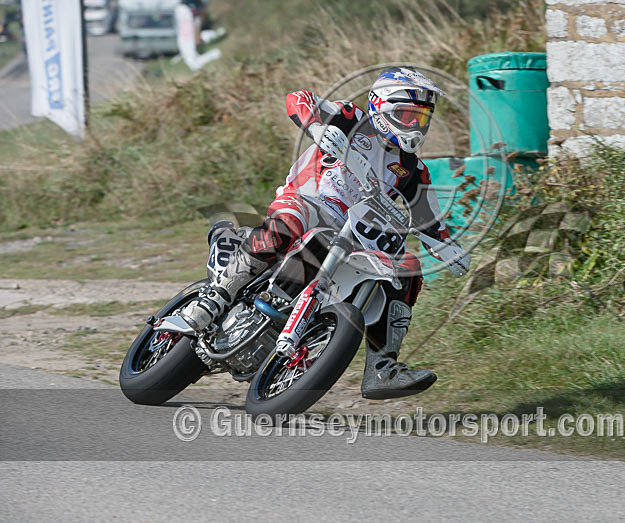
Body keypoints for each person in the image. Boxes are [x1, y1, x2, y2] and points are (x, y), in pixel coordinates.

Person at [181, 66, 470, 399]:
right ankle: (213, 300)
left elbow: (430, 218)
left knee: (407, 271)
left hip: (352, 230)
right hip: (307, 200)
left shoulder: (413, 170)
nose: (413, 125)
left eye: (420, 118)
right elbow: (299, 98)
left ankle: (382, 367)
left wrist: (447, 246)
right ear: (380, 106)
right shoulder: (352, 117)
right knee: (286, 227)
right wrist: (316, 127)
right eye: (405, 114)